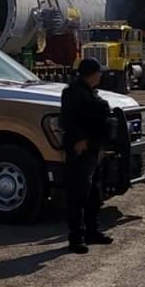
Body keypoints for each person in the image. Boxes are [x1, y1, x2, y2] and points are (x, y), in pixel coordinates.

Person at [60, 57, 114, 254]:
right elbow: (67, 121)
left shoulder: (91, 93)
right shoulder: (73, 93)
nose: (101, 75)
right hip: (81, 149)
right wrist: (80, 141)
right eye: (98, 72)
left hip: (93, 148)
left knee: (94, 193)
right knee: (78, 195)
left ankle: (92, 231)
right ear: (91, 74)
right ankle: (76, 238)